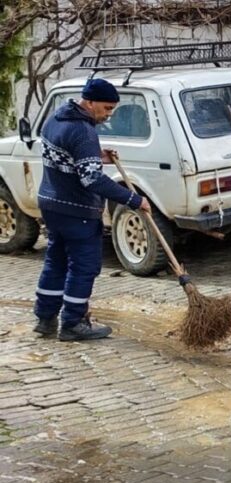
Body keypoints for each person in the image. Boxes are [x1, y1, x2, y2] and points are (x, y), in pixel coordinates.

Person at [33, 78, 149, 341]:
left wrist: (97, 156)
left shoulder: (55, 120)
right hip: (77, 210)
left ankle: (45, 318)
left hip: (51, 204)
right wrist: (133, 199)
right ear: (89, 102)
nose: (108, 115)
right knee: (84, 267)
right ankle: (73, 324)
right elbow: (92, 179)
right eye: (106, 108)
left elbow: (65, 157)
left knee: (56, 262)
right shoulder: (84, 132)